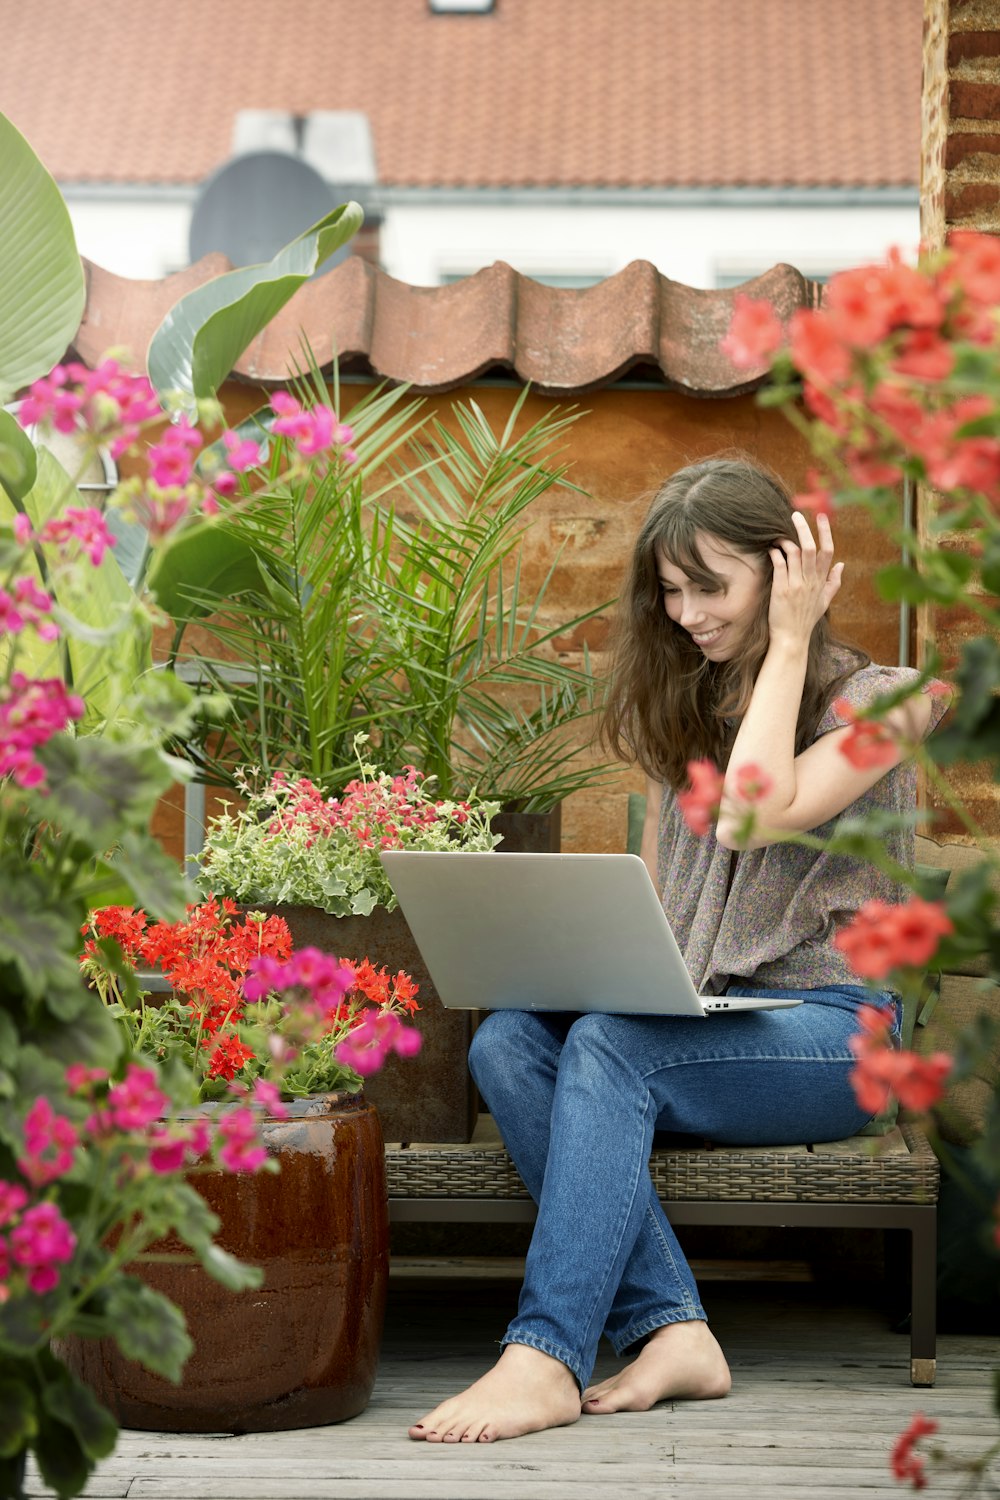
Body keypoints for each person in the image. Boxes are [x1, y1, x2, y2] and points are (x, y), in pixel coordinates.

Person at [407, 454, 948, 1446]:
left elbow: (753, 815)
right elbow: (664, 912)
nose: (687, 612)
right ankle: (673, 1329)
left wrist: (789, 644)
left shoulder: (889, 700)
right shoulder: (692, 716)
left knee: (609, 1046)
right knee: (508, 1044)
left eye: (710, 585)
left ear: (786, 575)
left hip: (846, 1038)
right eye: (669, 590)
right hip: (712, 1027)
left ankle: (546, 1356)